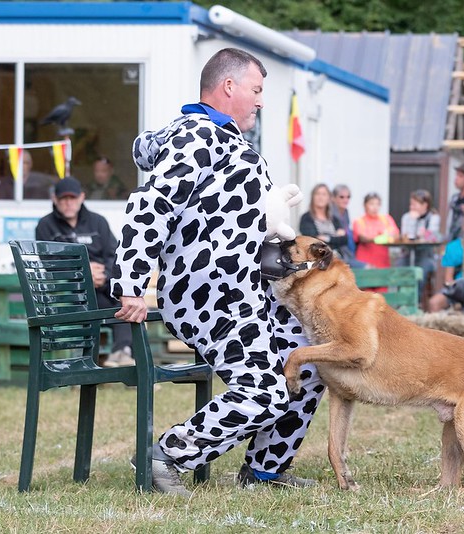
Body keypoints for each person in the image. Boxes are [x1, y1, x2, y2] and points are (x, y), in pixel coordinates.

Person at [111, 48, 325, 495]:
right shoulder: (197, 138)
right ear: (229, 87)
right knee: (266, 389)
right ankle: (165, 455)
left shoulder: (227, 139)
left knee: (308, 364)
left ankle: (264, 471)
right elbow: (149, 208)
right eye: (256, 89)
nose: (261, 100)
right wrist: (131, 284)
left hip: (248, 290)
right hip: (210, 294)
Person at [34, 176, 134, 367]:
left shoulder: (98, 222)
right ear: (55, 199)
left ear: (82, 197)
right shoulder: (45, 225)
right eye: (63, 199)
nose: (68, 203)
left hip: (101, 287)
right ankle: (124, 359)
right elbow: (49, 263)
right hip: (70, 294)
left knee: (127, 305)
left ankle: (123, 354)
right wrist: (83, 272)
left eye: (72, 198)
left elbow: (113, 256)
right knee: (120, 308)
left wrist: (103, 274)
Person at [398, 189, 441, 297]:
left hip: (426, 255)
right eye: (411, 204)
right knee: (399, 268)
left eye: (415, 204)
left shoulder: (433, 218)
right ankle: (402, 299)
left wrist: (424, 234)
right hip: (408, 254)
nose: (411, 207)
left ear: (424, 205)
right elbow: (407, 236)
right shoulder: (407, 217)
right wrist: (413, 221)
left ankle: (415, 300)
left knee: (420, 273)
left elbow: (433, 237)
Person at [298, 183, 353, 262]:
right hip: (317, 259)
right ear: (312, 197)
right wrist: (335, 237)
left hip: (339, 257)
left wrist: (328, 238)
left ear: (329, 198)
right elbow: (315, 241)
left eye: (324, 194)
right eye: (318, 194)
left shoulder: (334, 219)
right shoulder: (306, 218)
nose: (321, 197)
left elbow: (345, 239)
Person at [352, 192, 400, 268]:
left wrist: (387, 236)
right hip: (365, 263)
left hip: (383, 262)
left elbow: (396, 234)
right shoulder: (359, 221)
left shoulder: (386, 219)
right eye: (371, 204)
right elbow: (362, 238)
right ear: (365, 205)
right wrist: (379, 238)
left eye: (378, 204)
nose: (375, 207)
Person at [331, 184, 363, 267]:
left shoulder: (345, 212)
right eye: (341, 197)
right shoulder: (329, 213)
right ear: (333, 198)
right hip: (337, 253)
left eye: (348, 197)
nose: (345, 200)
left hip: (348, 250)